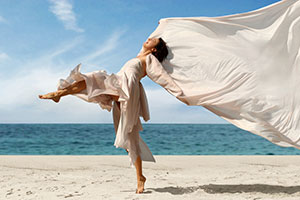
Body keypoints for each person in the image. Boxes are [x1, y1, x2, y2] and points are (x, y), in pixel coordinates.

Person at [39, 37, 168, 194]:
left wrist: (182, 93)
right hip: (119, 83)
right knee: (94, 80)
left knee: (128, 133)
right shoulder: (140, 54)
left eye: (153, 40)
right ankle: (59, 93)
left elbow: (161, 76)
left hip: (128, 88)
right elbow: (151, 42)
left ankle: (59, 93)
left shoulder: (149, 59)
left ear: (155, 49)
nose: (149, 39)